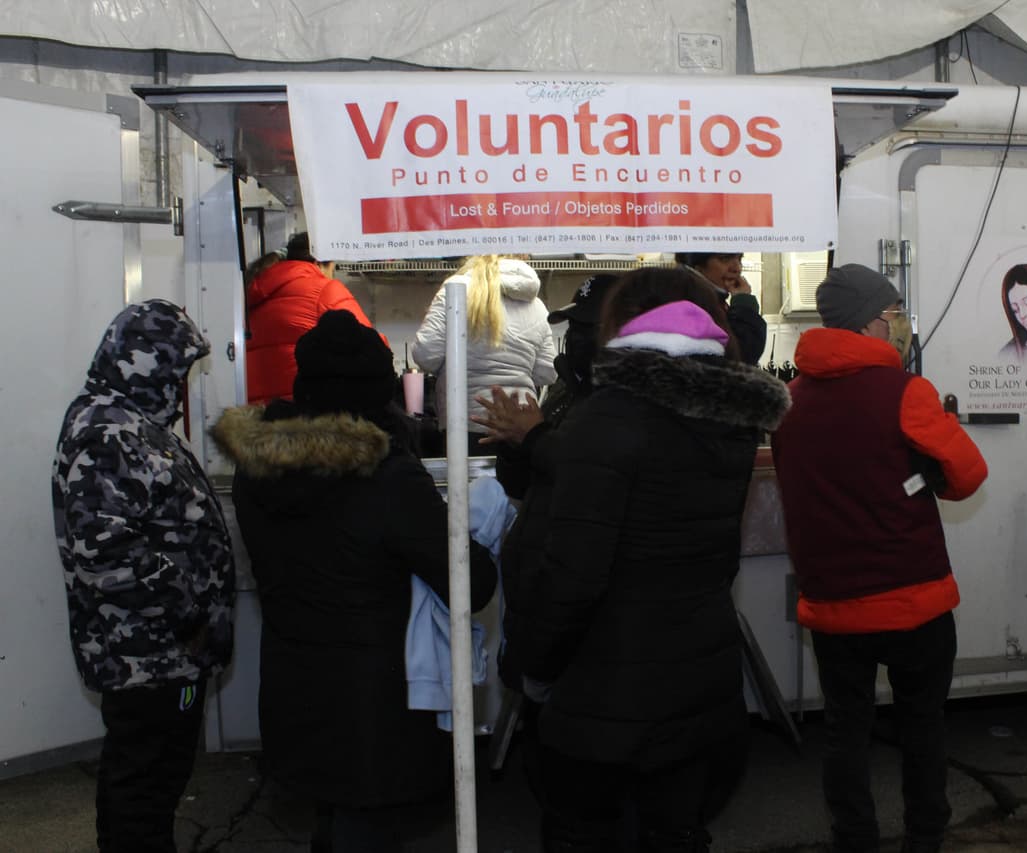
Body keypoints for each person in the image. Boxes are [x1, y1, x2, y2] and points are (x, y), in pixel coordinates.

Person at [520, 267, 791, 852]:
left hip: (607, 686)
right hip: (702, 674)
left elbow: (574, 576)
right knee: (676, 829)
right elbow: (719, 559)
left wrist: (534, 668)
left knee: (584, 832)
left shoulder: (608, 417)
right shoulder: (731, 418)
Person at [211, 309, 498, 852]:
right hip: (375, 702)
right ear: (379, 395)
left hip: (293, 680)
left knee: (332, 820)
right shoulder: (386, 477)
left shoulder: (256, 468)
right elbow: (471, 580)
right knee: (364, 828)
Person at [770, 264, 988, 853]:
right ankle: (924, 838)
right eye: (895, 313)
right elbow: (968, 475)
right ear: (872, 320)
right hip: (912, 597)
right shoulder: (905, 392)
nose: (900, 325)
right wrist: (928, 475)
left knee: (845, 730)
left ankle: (855, 838)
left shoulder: (788, 401)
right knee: (922, 726)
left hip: (833, 601)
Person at [51, 299, 235, 853]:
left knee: (149, 786)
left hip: (162, 652)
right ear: (146, 361)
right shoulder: (106, 431)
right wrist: (185, 607)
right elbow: (104, 549)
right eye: (176, 368)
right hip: (147, 655)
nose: (180, 383)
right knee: (143, 789)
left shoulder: (130, 421)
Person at [471, 273, 622, 689]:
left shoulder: (625, 404)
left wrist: (534, 438)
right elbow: (526, 486)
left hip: (586, 619)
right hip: (540, 588)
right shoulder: (565, 388)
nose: (577, 339)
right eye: (574, 328)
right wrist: (514, 444)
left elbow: (594, 480)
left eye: (588, 329)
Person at [411, 254, 557, 455]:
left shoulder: (455, 289)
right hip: (521, 426)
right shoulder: (536, 305)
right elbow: (547, 372)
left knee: (467, 475)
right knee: (517, 474)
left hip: (465, 424)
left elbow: (425, 355)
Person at [245, 231, 381, 405]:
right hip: (304, 411)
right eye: (332, 269)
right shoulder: (325, 290)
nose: (332, 276)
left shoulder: (256, 290)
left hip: (256, 412)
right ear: (319, 264)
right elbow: (375, 352)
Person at [675, 252, 768, 365]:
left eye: (740, 259)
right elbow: (738, 357)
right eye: (724, 258)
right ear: (698, 267)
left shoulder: (712, 300)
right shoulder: (691, 306)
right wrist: (744, 305)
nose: (737, 268)